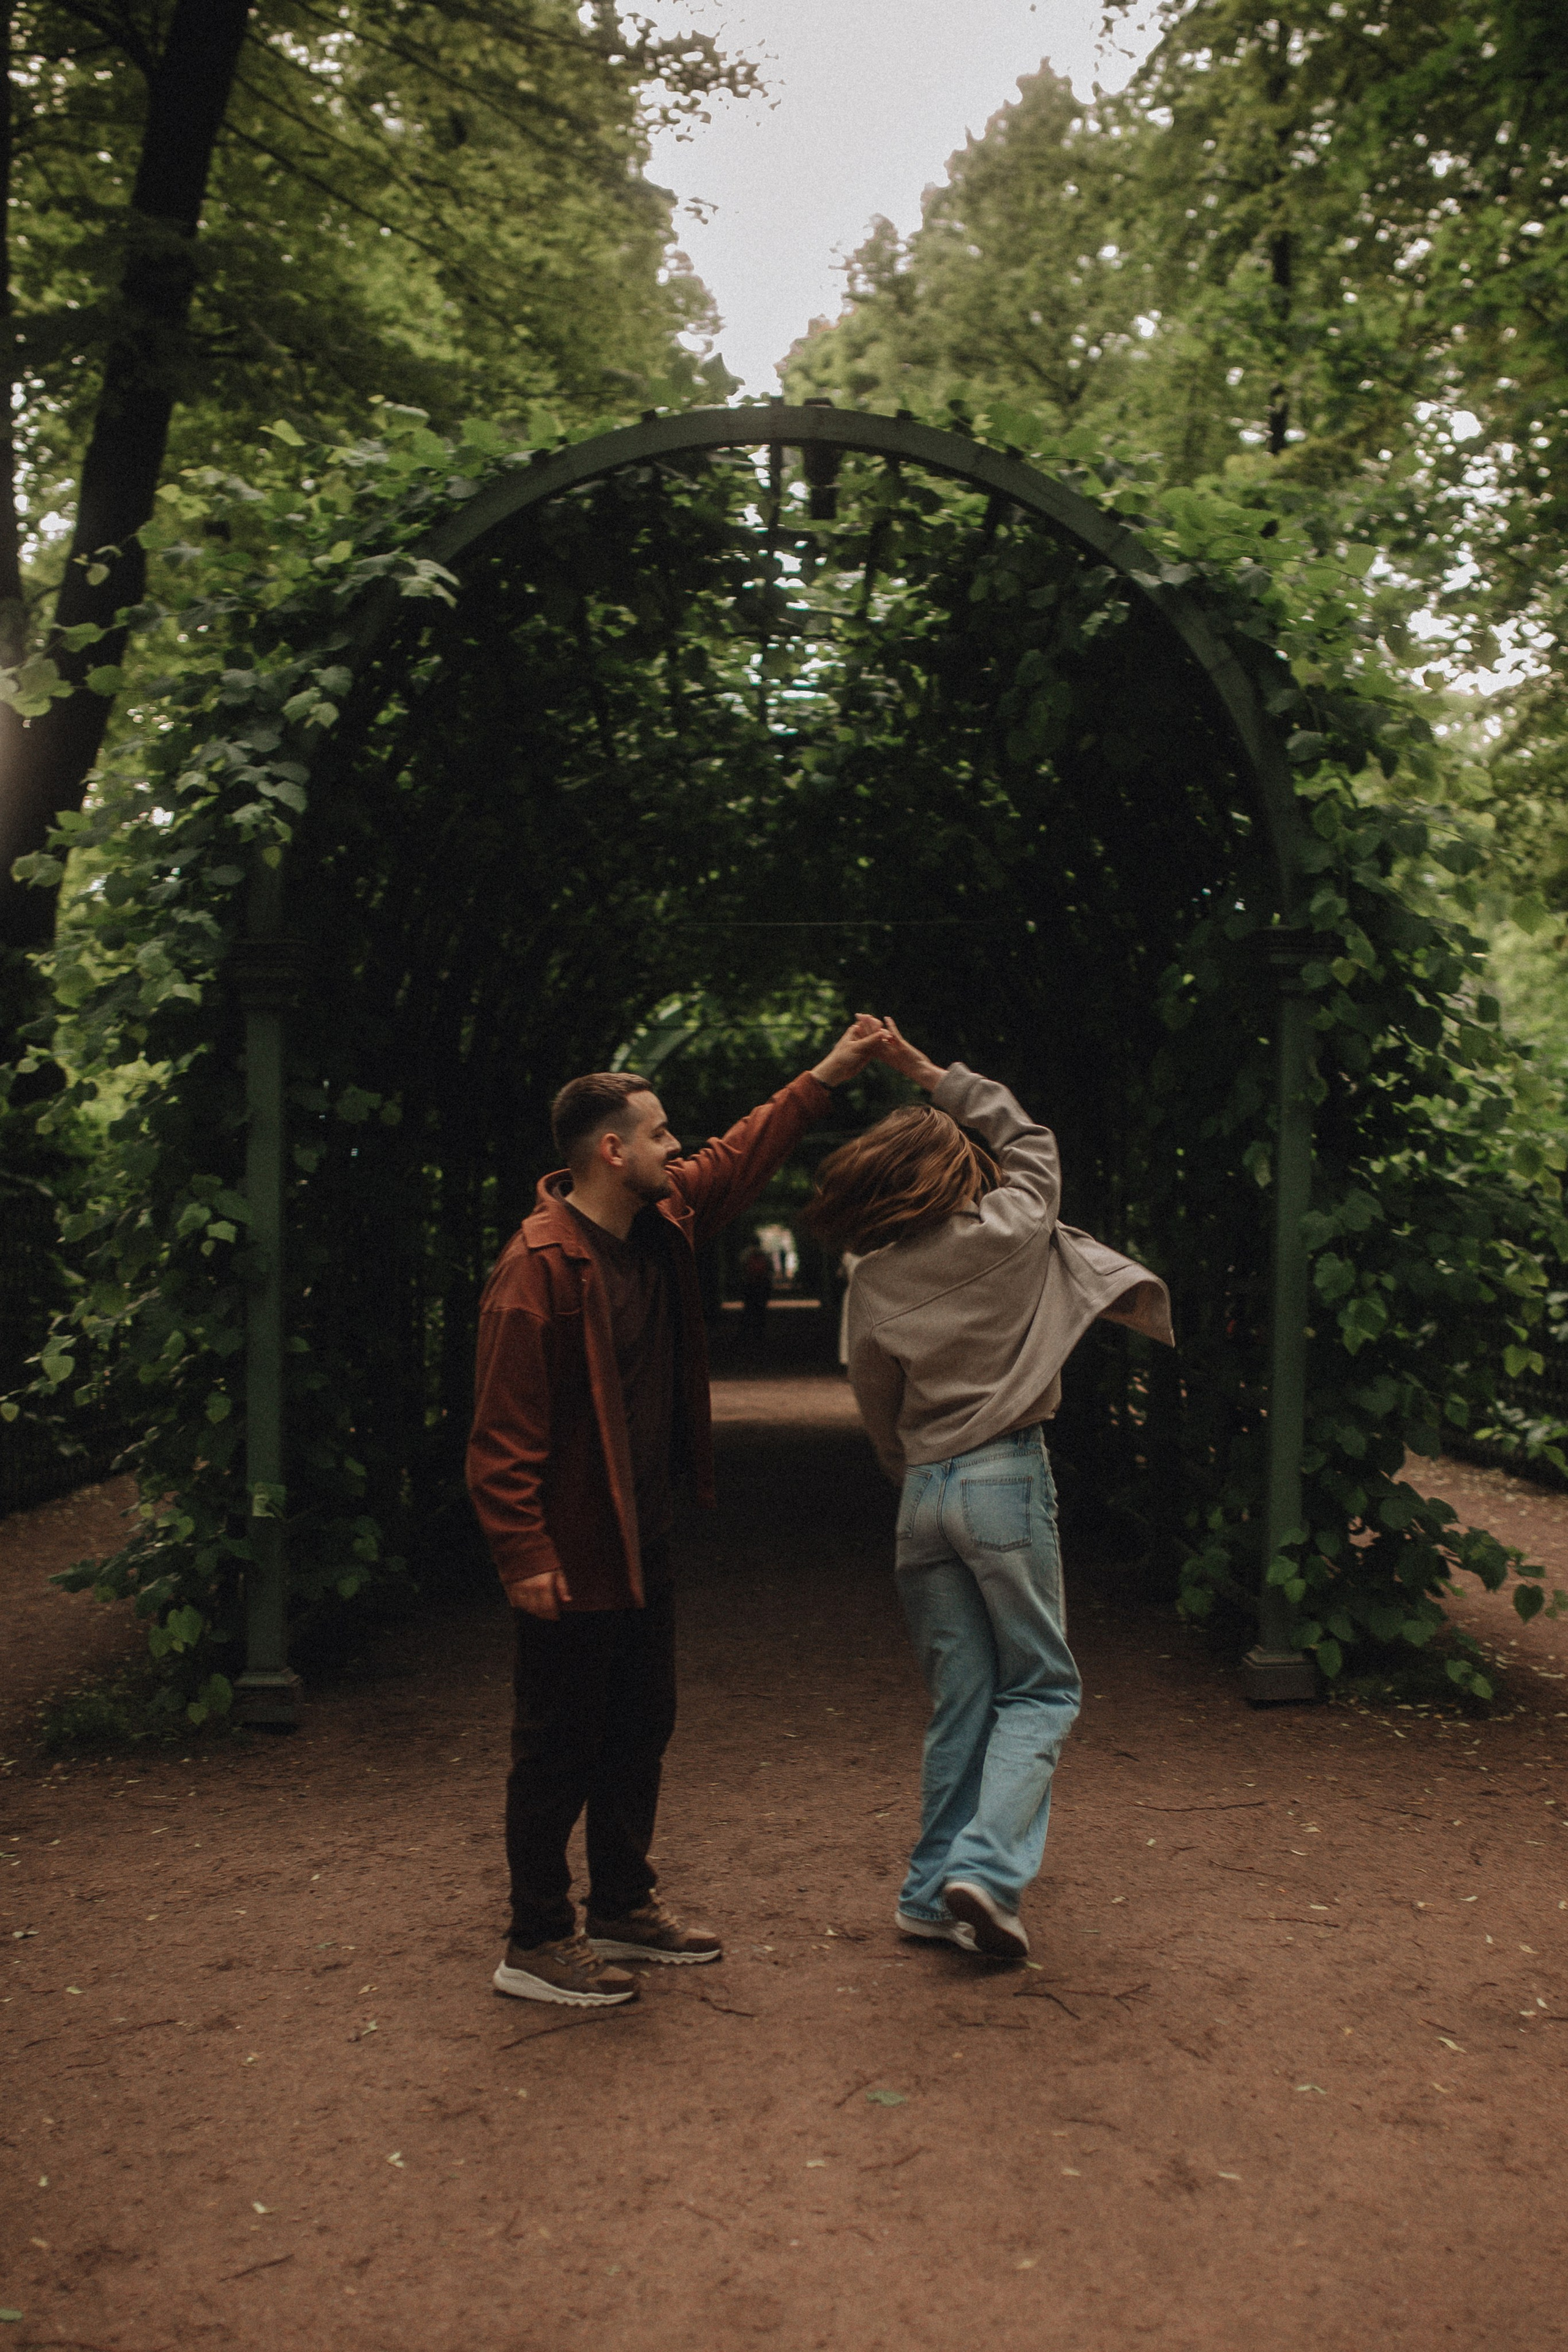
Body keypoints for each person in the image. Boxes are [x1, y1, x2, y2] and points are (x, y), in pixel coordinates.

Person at [467, 1014, 889, 2008]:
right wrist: (523, 1553)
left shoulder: (659, 1226)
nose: (677, 1150)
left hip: (641, 1540)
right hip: (569, 1555)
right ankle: (535, 1937)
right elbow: (500, 1437)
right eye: (660, 1135)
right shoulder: (535, 1273)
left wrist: (827, 1073)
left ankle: (621, 1902)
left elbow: (739, 1156)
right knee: (555, 1743)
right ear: (612, 1150)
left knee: (639, 1722)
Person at [809, 1019, 1174, 1962]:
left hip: (923, 1492)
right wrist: (926, 1071)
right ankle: (988, 1867)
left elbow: (873, 1398)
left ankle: (930, 1896)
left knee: (963, 1699)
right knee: (1043, 1689)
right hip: (1007, 1478)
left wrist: (909, 1468)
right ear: (950, 1170)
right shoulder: (1012, 1230)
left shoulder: (873, 1279)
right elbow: (1031, 1141)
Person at [738, 1237, 774, 1334]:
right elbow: (770, 1269)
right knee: (761, 1308)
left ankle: (747, 1330)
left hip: (749, 1283)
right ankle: (760, 1330)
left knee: (749, 1307)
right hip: (762, 1283)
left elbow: (742, 1268)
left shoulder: (746, 1254)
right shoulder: (765, 1254)